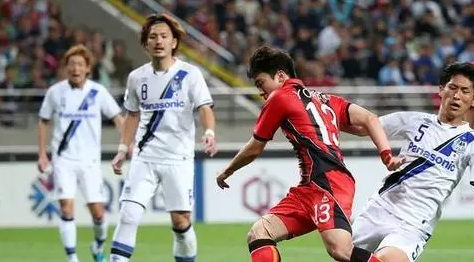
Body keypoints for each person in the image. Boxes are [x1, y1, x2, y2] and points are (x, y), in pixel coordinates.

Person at [215, 45, 404, 262]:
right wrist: (386, 155)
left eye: (261, 83)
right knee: (259, 233)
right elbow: (369, 119)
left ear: (280, 76)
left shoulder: (279, 97)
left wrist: (227, 171)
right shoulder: (326, 99)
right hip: (309, 189)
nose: (260, 91)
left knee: (340, 250)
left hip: (328, 182)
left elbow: (255, 147)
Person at [109, 13, 217, 262]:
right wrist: (123, 149)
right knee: (128, 214)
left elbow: (205, 108)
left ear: (174, 42)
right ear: (146, 44)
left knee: (181, 222)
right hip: (145, 157)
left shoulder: (190, 74)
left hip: (177, 158)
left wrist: (209, 132)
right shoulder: (137, 77)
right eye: (153, 37)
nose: (158, 41)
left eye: (164, 36)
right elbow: (132, 115)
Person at [346, 62, 474, 262]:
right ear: (441, 90)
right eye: (453, 88)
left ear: (472, 99)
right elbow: (366, 127)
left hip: (414, 225)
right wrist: (323, 121)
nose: (457, 96)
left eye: (465, 91)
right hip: (378, 209)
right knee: (341, 255)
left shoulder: (470, 141)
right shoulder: (415, 120)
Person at [37, 44, 124, 262]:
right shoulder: (55, 92)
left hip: (90, 161)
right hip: (63, 159)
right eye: (72, 64)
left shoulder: (97, 92)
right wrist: (42, 153)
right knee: (66, 207)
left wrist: (126, 144)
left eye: (80, 64)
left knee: (98, 213)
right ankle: (72, 258)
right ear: (66, 68)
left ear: (87, 69)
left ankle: (97, 245)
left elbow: (118, 117)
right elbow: (43, 121)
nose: (75, 68)